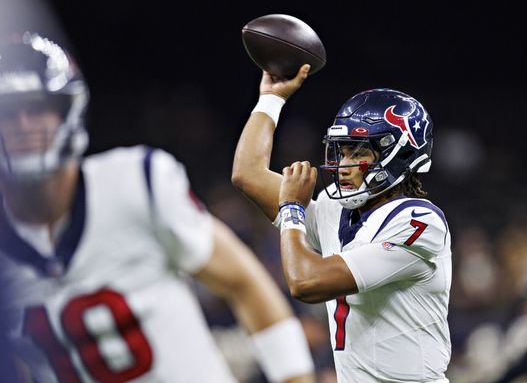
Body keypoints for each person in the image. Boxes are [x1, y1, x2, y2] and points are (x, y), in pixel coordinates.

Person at [0, 32, 315, 383]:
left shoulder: (136, 182)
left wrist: (295, 378)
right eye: (8, 114)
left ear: (67, 112)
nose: (23, 126)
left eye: (37, 108)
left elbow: (244, 282)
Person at [232, 65, 452, 382]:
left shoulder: (418, 221)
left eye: (358, 153)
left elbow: (305, 282)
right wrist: (271, 99)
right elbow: (247, 174)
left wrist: (293, 207)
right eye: (342, 152)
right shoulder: (336, 211)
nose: (344, 166)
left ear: (399, 154)